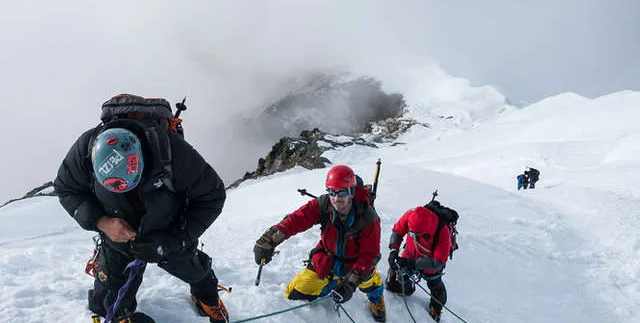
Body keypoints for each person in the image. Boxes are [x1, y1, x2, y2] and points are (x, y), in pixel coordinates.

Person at [54, 98, 228, 323]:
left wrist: (169, 241)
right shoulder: (85, 150)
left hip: (168, 228)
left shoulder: (173, 152)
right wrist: (102, 222)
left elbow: (212, 196)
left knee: (193, 269)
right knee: (104, 303)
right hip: (116, 232)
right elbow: (66, 189)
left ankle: (207, 295)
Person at [253, 165, 386, 322]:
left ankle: (376, 299)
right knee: (295, 292)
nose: (336, 198)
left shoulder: (368, 217)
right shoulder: (325, 205)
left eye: (342, 192)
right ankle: (333, 284)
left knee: (368, 282)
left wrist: (350, 284)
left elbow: (369, 256)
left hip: (356, 265)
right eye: (332, 192)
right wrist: (269, 239)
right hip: (327, 259)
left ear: (351, 192)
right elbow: (297, 219)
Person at [386, 205, 451, 322]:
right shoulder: (411, 215)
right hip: (410, 255)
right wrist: (393, 250)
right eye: (412, 234)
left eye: (420, 235)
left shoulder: (443, 231)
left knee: (435, 285)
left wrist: (413, 263)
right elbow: (398, 230)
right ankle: (405, 288)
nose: (415, 236)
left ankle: (436, 307)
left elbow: (438, 262)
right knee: (397, 280)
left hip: (429, 263)